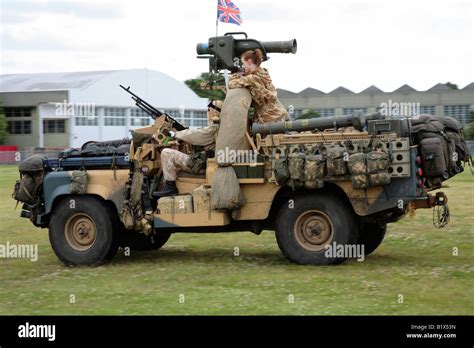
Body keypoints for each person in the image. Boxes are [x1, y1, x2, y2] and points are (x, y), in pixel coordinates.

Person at [154, 100, 223, 198]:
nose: (208, 112)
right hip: (203, 162)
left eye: (209, 109)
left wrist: (176, 134)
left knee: (166, 153)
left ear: (215, 112)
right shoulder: (217, 127)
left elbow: (196, 136)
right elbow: (196, 135)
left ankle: (170, 188)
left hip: (200, 165)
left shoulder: (214, 129)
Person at [228, 49, 288, 123]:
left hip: (269, 119)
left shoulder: (251, 79)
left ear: (249, 62)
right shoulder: (263, 73)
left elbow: (231, 84)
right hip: (278, 115)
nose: (243, 66)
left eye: (243, 63)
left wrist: (236, 74)